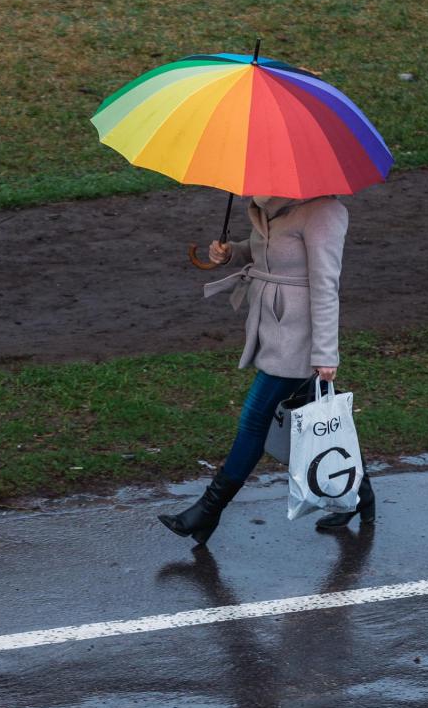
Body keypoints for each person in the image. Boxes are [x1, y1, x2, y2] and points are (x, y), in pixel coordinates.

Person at [159, 194, 375, 546]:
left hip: (299, 336)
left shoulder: (324, 212)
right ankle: (362, 497)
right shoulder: (270, 204)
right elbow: (271, 250)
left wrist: (325, 352)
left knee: (255, 418)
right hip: (273, 326)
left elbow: (326, 285)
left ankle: (207, 511)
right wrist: (232, 253)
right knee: (318, 414)